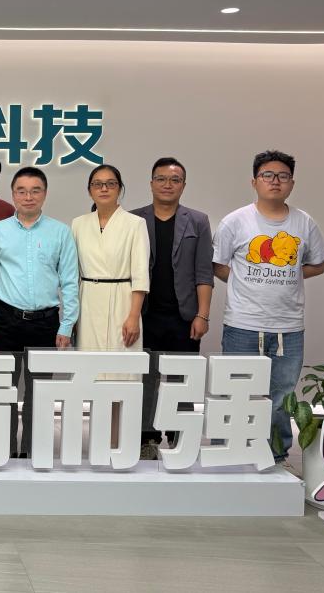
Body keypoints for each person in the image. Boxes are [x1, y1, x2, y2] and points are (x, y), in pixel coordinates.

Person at [213, 150, 324, 470]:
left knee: (280, 397)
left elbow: (318, 264)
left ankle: (276, 456)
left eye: (282, 176)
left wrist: (288, 274)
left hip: (288, 327)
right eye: (267, 175)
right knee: (237, 391)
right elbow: (219, 265)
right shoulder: (235, 221)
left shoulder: (304, 223)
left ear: (292, 183)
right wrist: (245, 282)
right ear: (254, 182)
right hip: (242, 323)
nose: (275, 181)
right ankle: (231, 452)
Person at [0, 167, 78, 458]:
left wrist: (67, 324)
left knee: (40, 392)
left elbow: (70, 281)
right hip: (5, 319)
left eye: (35, 190)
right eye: (21, 191)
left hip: (45, 323)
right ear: (13, 194)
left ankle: (34, 450)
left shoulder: (60, 232)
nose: (28, 196)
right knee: (3, 389)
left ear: (45, 194)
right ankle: (5, 450)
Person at [130, 157, 214, 459]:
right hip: (145, 315)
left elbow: (204, 272)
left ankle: (180, 438)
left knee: (183, 380)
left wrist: (202, 314)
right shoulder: (135, 219)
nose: (168, 185)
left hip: (184, 316)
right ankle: (146, 439)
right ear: (151, 183)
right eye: (161, 179)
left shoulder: (198, 221)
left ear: (183, 185)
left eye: (175, 180)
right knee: (145, 379)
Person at [71, 164, 150, 443]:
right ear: (89, 190)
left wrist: (133, 315)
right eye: (97, 183)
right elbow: (72, 273)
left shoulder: (135, 224)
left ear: (120, 189)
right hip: (88, 301)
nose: (104, 188)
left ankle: (118, 441)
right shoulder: (79, 224)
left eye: (110, 183)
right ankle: (96, 440)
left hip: (122, 301)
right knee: (91, 374)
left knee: (120, 374)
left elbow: (140, 274)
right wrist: (72, 316)